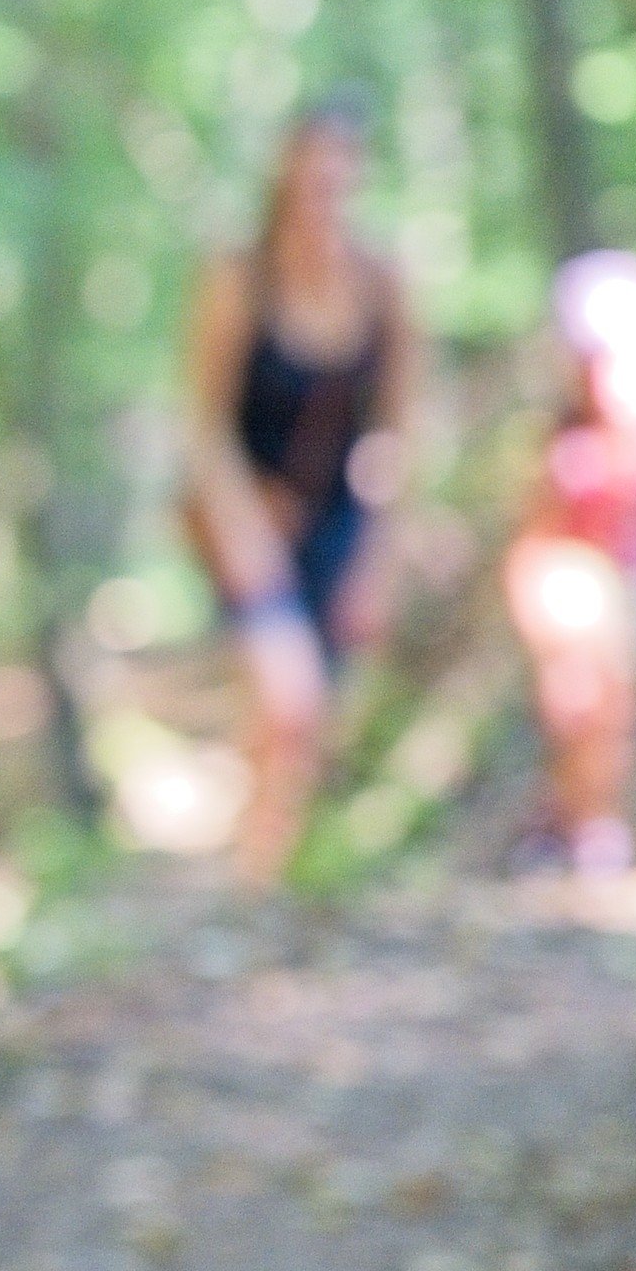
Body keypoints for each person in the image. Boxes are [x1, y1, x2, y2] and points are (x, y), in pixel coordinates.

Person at [180, 92, 416, 886]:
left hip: (340, 521)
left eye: (340, 167)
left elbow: (399, 433)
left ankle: (282, 867)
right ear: (285, 171)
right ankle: (257, 879)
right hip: (244, 515)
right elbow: (205, 424)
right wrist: (243, 527)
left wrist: (379, 559)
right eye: (312, 165)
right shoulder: (238, 278)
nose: (325, 183)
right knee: (287, 697)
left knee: (317, 718)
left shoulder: (382, 284)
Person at [503, 249, 636, 878]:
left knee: (613, 703)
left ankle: (588, 822)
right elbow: (536, 528)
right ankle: (570, 821)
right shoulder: (568, 440)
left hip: (630, 571)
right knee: (577, 692)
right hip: (569, 567)